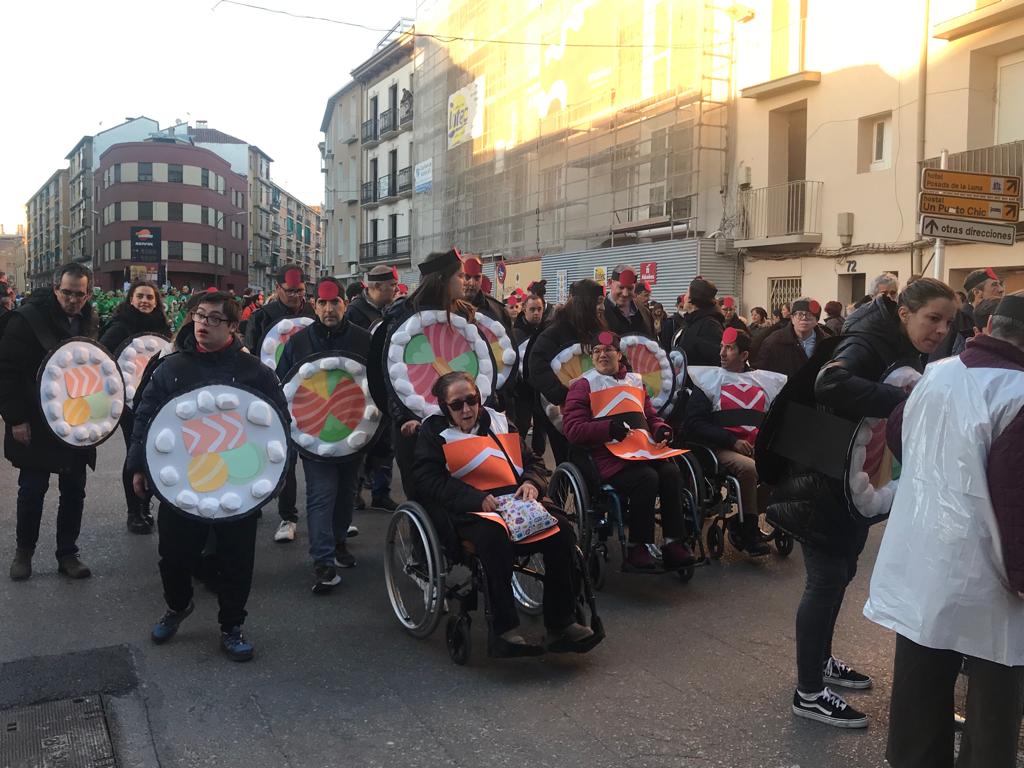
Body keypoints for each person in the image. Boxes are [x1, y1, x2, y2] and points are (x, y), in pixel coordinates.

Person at [774, 278, 955, 728]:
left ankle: (822, 661)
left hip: (846, 477)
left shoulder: (898, 342)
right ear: (905, 313)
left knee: (842, 572)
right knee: (825, 579)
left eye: (948, 322)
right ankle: (809, 692)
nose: (941, 330)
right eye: (933, 318)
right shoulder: (868, 340)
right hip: (820, 473)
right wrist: (910, 402)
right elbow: (829, 383)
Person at [863, 291, 1024, 767]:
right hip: (989, 572)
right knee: (995, 696)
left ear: (990, 325)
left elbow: (897, 433)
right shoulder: (1017, 393)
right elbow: (1017, 501)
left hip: (925, 556)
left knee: (920, 680)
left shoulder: (939, 374)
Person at [129, 291, 288, 662]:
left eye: (214, 319)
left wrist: (276, 475)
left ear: (233, 326)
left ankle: (232, 626)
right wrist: (137, 464)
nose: (203, 324)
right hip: (182, 484)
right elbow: (145, 416)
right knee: (174, 556)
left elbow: (281, 424)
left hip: (238, 482)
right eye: (199, 316)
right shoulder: (172, 367)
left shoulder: (257, 373)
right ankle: (177, 605)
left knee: (236, 561)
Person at [413, 371, 596, 656]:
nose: (467, 409)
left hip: (517, 501)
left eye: (472, 400)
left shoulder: (498, 422)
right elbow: (428, 479)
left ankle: (562, 622)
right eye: (457, 404)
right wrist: (475, 498)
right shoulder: (434, 433)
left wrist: (531, 483)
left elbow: (533, 462)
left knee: (561, 530)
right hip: (471, 509)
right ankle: (504, 630)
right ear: (444, 407)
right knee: (494, 538)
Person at [562, 331, 695, 571]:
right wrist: (607, 429)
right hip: (607, 456)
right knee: (647, 478)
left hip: (643, 450)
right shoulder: (583, 385)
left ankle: (674, 542)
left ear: (619, 355)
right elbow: (573, 429)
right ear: (592, 357)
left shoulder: (635, 381)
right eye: (597, 352)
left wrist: (661, 429)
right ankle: (637, 547)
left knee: (671, 473)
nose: (602, 355)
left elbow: (650, 416)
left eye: (608, 350)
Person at [0, 263, 97, 581]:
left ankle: (68, 554)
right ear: (56, 289)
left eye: (78, 294)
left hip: (75, 421)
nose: (72, 300)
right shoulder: (27, 319)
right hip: (35, 418)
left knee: (74, 491)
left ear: (87, 293)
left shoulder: (89, 319)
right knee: (32, 490)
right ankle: (23, 553)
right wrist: (15, 419)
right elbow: (8, 372)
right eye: (66, 292)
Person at [276, 278, 371, 593]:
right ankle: (323, 562)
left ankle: (339, 543)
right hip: (314, 435)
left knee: (346, 493)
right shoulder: (298, 343)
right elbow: (284, 387)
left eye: (335, 303)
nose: (329, 309)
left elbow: (376, 388)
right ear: (314, 305)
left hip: (354, 433)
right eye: (323, 303)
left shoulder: (362, 340)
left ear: (344, 304)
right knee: (321, 494)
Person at [375, 249, 471, 500]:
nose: (466, 280)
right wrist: (405, 417)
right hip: (415, 426)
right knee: (423, 494)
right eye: (460, 276)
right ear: (442, 279)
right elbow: (389, 374)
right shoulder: (401, 317)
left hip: (460, 419)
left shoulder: (465, 315)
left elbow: (477, 366)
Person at [683, 328, 786, 556]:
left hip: (755, 446)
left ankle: (742, 520)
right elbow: (693, 424)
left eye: (729, 348)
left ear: (744, 355)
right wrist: (731, 440)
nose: (722, 352)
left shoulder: (762, 381)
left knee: (783, 465)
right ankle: (749, 530)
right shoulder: (708, 381)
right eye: (722, 347)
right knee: (750, 468)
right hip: (720, 447)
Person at [244, 265, 315, 543]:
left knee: (316, 455)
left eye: (300, 291)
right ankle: (287, 516)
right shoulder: (261, 318)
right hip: (274, 394)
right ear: (278, 289)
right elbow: (251, 356)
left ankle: (326, 515)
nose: (296, 295)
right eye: (290, 291)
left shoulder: (312, 314)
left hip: (311, 395)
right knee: (284, 457)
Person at [99, 280, 172, 535]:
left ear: (156, 301)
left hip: (156, 401)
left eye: (149, 297)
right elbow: (102, 360)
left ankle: (145, 504)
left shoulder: (162, 327)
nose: (145, 301)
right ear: (130, 299)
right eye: (140, 296)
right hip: (129, 404)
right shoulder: (118, 327)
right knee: (135, 452)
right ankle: (134, 511)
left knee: (154, 451)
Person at [528, 279, 607, 464]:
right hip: (560, 412)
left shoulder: (599, 329)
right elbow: (537, 366)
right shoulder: (554, 331)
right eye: (599, 302)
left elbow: (612, 348)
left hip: (597, 406)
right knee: (569, 459)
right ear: (586, 304)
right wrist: (564, 394)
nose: (602, 308)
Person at [344, 265, 399, 511]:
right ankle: (354, 493)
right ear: (377, 287)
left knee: (386, 445)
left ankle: (381, 492)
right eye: (393, 286)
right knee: (361, 444)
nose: (396, 290)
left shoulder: (394, 311)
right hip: (362, 390)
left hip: (386, 387)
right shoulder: (354, 313)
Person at [931, 267, 1005, 360]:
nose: (1001, 289)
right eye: (994, 285)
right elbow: (940, 356)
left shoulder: (1001, 317)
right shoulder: (956, 318)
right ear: (977, 292)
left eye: (1000, 284)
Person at [512, 291, 550, 459]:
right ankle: (518, 458)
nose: (536, 313)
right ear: (524, 310)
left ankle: (538, 459)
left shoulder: (548, 331)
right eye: (532, 309)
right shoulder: (515, 333)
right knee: (522, 424)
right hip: (522, 388)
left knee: (541, 424)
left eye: (539, 309)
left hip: (541, 387)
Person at [753, 298, 828, 377]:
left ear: (817, 320)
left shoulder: (827, 342)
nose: (804, 318)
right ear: (792, 318)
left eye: (809, 314)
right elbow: (761, 371)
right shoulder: (774, 341)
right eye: (799, 314)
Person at [673, 276, 724, 366]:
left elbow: (716, 358)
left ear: (691, 298)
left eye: (687, 293)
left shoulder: (710, 324)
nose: (684, 297)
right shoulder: (691, 321)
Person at [603, 265, 654, 336]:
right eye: (621, 287)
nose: (625, 294)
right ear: (610, 283)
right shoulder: (598, 313)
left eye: (630, 288)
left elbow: (653, 340)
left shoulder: (644, 311)